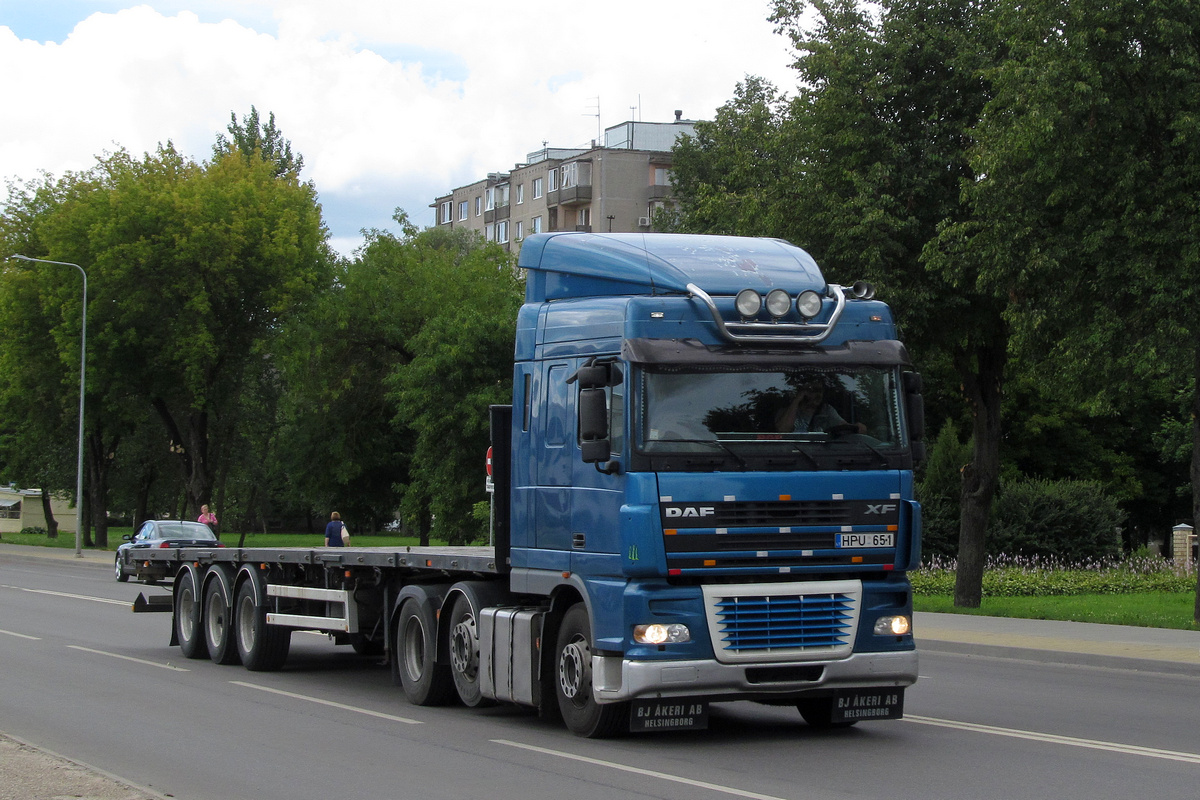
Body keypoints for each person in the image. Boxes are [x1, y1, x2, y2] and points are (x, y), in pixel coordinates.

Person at [775, 375, 865, 434]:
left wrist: (857, 427)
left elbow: (844, 427)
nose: (818, 395)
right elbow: (783, 430)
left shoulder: (826, 410)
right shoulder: (786, 412)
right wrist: (797, 400)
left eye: (820, 391)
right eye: (814, 391)